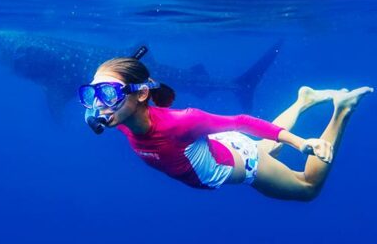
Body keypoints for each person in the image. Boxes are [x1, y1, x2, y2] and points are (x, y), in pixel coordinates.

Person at [79, 56, 371, 201]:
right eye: (92, 95)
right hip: (221, 148)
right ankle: (304, 100)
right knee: (262, 147)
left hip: (245, 163)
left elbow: (242, 123)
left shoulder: (180, 122)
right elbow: (100, 113)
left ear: (141, 94)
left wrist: (302, 144)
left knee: (307, 188)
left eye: (108, 94)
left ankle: (343, 108)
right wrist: (103, 100)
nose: (99, 106)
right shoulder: (118, 118)